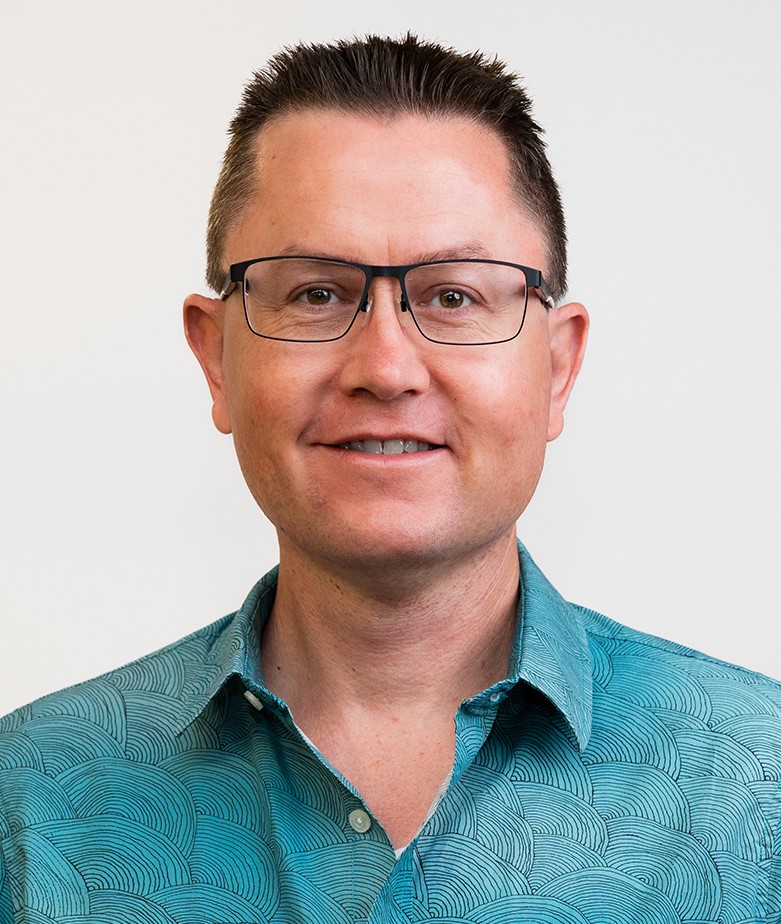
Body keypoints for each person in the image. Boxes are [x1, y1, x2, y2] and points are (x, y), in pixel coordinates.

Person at [1, 33, 779, 924]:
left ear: (557, 368)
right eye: (316, 294)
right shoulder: (29, 804)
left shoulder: (758, 790)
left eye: (453, 296)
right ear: (215, 359)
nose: (385, 368)